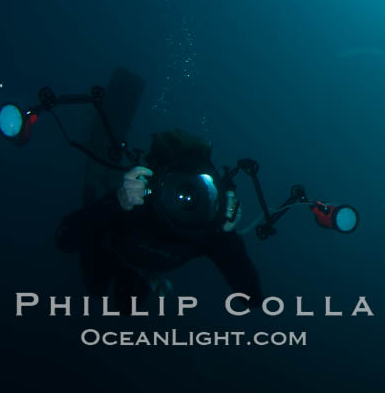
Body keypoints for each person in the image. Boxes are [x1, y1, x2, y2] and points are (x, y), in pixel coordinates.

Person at [55, 129, 263, 313]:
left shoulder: (206, 225)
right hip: (111, 250)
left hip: (143, 271)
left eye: (197, 185)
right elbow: (64, 239)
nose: (185, 194)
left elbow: (252, 297)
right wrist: (115, 203)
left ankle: (147, 280)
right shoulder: (137, 201)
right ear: (155, 177)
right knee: (95, 287)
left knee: (127, 306)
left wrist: (227, 235)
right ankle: (93, 194)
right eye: (176, 180)